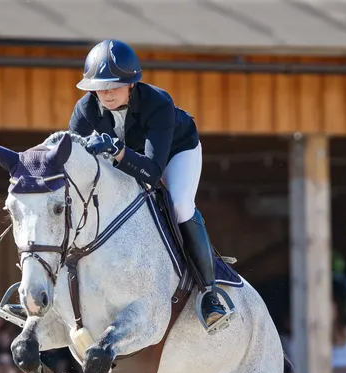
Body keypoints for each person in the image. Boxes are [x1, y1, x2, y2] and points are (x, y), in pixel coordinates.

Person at [68, 39, 232, 333]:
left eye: (113, 86)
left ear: (131, 84)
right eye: (99, 87)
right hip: (125, 159)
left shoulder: (158, 103)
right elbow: (71, 163)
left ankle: (210, 293)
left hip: (175, 153)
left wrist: (117, 152)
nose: (105, 93)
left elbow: (152, 174)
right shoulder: (84, 110)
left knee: (180, 205)